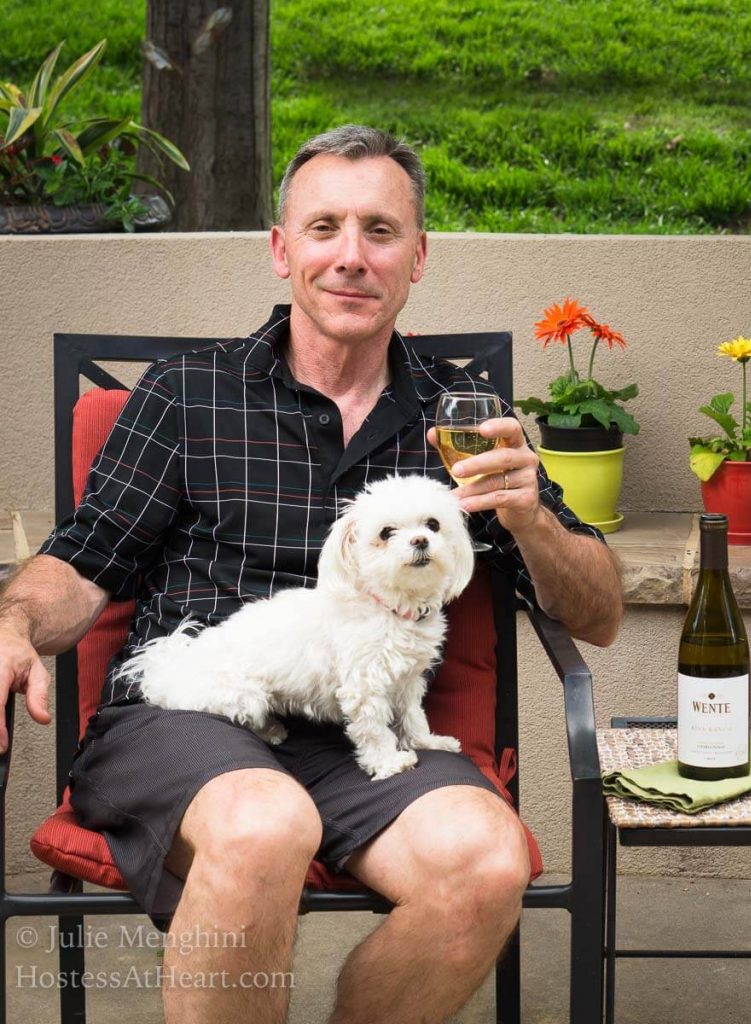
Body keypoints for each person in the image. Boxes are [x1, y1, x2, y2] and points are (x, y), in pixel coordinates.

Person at [0, 125, 622, 1024]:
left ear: (418, 257)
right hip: (195, 712)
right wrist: (15, 622)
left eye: (380, 230)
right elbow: (86, 561)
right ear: (281, 249)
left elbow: (596, 614)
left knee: (483, 862)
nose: (351, 256)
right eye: (324, 227)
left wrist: (526, 516)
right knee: (265, 823)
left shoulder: (465, 424)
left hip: (360, 736)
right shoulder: (185, 396)